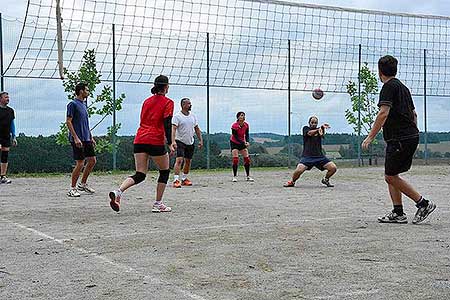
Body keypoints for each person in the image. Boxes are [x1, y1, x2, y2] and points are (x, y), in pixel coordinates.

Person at [362, 55, 436, 224]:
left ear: (379, 71)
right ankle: (398, 212)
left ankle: (423, 204)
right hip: (408, 136)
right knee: (392, 173)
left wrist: (370, 136)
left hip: (400, 138)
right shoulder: (403, 87)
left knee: (390, 177)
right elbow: (414, 114)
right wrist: (413, 134)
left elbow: (383, 113)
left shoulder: (388, 87)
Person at [109, 75, 176, 213]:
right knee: (164, 171)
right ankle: (158, 204)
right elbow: (167, 123)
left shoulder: (146, 101)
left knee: (140, 174)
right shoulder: (168, 102)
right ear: (165, 87)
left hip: (139, 139)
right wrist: (170, 142)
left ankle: (119, 191)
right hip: (155, 139)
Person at [283, 116, 337, 188]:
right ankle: (292, 182)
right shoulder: (305, 128)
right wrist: (319, 129)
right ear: (309, 123)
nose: (314, 124)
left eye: (315, 123)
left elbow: (322, 136)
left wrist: (322, 129)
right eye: (312, 122)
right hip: (307, 157)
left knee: (333, 168)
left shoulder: (319, 129)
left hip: (319, 157)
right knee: (298, 170)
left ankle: (325, 179)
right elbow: (310, 133)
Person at [66, 83, 97, 197]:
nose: (88, 92)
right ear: (81, 91)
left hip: (86, 138)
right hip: (77, 138)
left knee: (92, 160)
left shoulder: (84, 105)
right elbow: (68, 121)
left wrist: (90, 136)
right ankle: (72, 188)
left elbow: (85, 123)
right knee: (80, 163)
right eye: (87, 90)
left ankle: (82, 184)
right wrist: (75, 137)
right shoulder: (72, 104)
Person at [171, 98, 203, 188]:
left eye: (190, 103)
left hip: (190, 142)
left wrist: (200, 140)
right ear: (183, 105)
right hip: (180, 141)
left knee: (188, 161)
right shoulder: (177, 116)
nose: (190, 105)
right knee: (179, 160)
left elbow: (197, 129)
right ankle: (176, 180)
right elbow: (173, 129)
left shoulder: (193, 116)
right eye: (188, 104)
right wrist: (173, 141)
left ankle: (184, 179)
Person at [230, 111, 254, 182]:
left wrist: (247, 141)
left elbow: (247, 134)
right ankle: (234, 176)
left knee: (247, 159)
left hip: (242, 143)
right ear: (238, 117)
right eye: (241, 115)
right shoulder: (234, 126)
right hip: (234, 142)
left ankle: (248, 176)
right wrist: (243, 143)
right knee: (235, 159)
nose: (243, 117)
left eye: (244, 115)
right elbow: (235, 136)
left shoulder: (246, 125)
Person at [0, 91, 17, 184]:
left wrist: (14, 136)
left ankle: (3, 176)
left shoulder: (10, 111)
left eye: (8, 97)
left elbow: (12, 124)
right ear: (0, 99)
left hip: (6, 135)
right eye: (5, 97)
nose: (8, 99)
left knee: (5, 155)